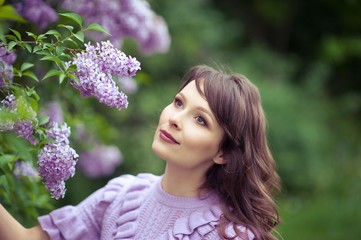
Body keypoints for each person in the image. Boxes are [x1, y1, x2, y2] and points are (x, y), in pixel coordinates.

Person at [0, 64, 281, 240]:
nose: (174, 118)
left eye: (200, 119)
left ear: (223, 153)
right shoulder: (122, 195)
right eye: (179, 103)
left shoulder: (228, 236)